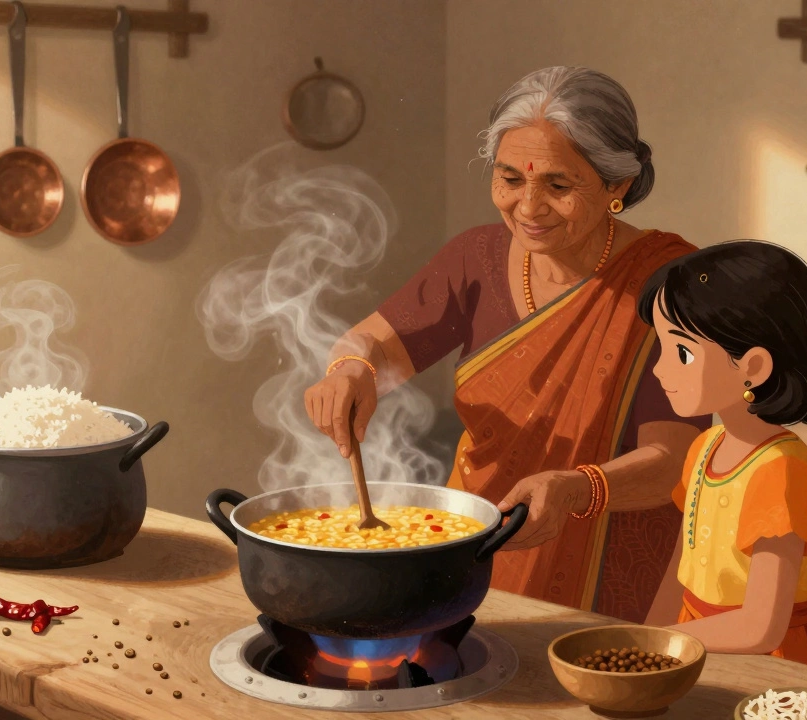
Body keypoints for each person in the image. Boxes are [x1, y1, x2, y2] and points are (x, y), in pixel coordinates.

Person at [304, 66, 710, 621]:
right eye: (510, 178)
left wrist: (572, 490)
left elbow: (675, 461)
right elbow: (372, 341)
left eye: (558, 185)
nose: (529, 207)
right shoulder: (478, 258)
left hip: (611, 565)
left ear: (616, 185)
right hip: (475, 541)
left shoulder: (670, 282)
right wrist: (351, 368)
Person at [638, 240, 807, 679]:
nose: (659, 369)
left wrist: (662, 645)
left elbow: (762, 627)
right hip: (692, 638)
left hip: (774, 661)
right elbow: (681, 567)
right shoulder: (705, 446)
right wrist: (645, 643)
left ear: (754, 366)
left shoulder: (781, 472)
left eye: (682, 352)